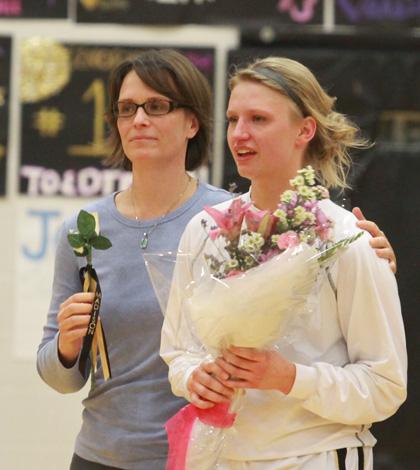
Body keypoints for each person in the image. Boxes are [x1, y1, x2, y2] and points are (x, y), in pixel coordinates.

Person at [37, 49, 397, 470]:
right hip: (153, 455)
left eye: (156, 107)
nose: (139, 120)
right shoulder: (187, 231)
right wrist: (70, 347)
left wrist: (369, 262)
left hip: (278, 454)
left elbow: (381, 379)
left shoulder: (305, 232)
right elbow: (176, 356)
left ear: (192, 122)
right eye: (126, 109)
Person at [161, 56, 407, 469]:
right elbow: (177, 351)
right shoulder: (204, 230)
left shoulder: (348, 240)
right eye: (233, 118)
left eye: (258, 119)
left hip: (315, 457)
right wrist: (195, 377)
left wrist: (290, 378)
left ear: (305, 130)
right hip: (218, 456)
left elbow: (385, 385)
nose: (239, 134)